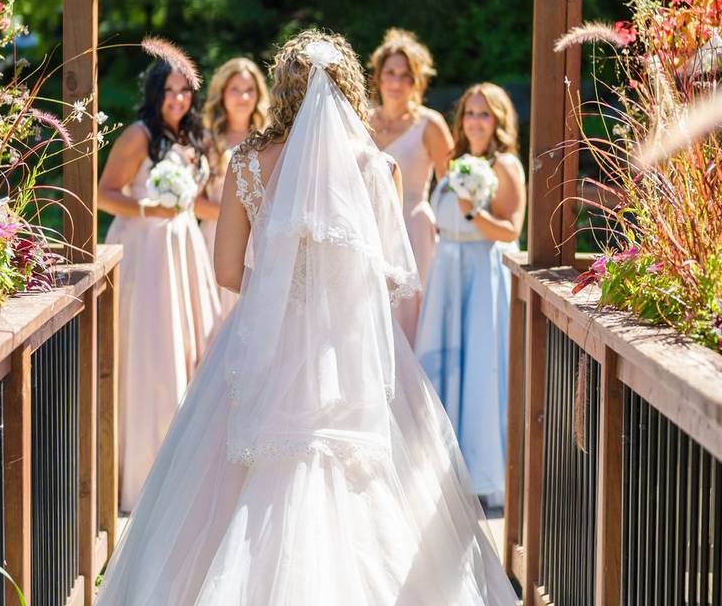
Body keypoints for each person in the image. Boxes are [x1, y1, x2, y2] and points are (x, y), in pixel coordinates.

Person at [96, 30, 516, 605]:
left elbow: (226, 272)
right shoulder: (378, 168)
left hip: (263, 340)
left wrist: (280, 291)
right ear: (347, 85)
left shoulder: (248, 162)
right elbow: (390, 275)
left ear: (283, 87)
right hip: (348, 350)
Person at [98, 54, 222, 512]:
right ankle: (144, 475)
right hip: (148, 251)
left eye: (184, 90)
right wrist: (151, 209)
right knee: (153, 356)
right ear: (154, 93)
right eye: (169, 91)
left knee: (193, 350)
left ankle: (188, 470)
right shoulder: (139, 135)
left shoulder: (192, 138)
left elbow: (201, 204)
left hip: (184, 249)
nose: (177, 98)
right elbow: (103, 193)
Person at [415, 82, 527, 509]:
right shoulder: (456, 163)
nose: (475, 122)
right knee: (440, 367)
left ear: (498, 120)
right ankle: (439, 472)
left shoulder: (505, 166)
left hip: (482, 274)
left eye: (484, 114)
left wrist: (471, 212)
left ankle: (482, 474)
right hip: (447, 272)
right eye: (469, 113)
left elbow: (511, 229)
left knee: (479, 371)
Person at [368, 28, 454, 344]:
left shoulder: (429, 124)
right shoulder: (361, 121)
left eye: (405, 75)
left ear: (415, 81)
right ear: (377, 76)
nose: (395, 82)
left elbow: (451, 188)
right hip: (368, 226)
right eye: (390, 72)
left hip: (414, 229)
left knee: (410, 312)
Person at [199, 57, 269, 316]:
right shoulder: (207, 140)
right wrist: (236, 220)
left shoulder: (268, 140)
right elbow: (194, 202)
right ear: (222, 94)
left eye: (249, 90)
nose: (243, 97)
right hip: (213, 239)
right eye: (235, 89)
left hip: (258, 240)